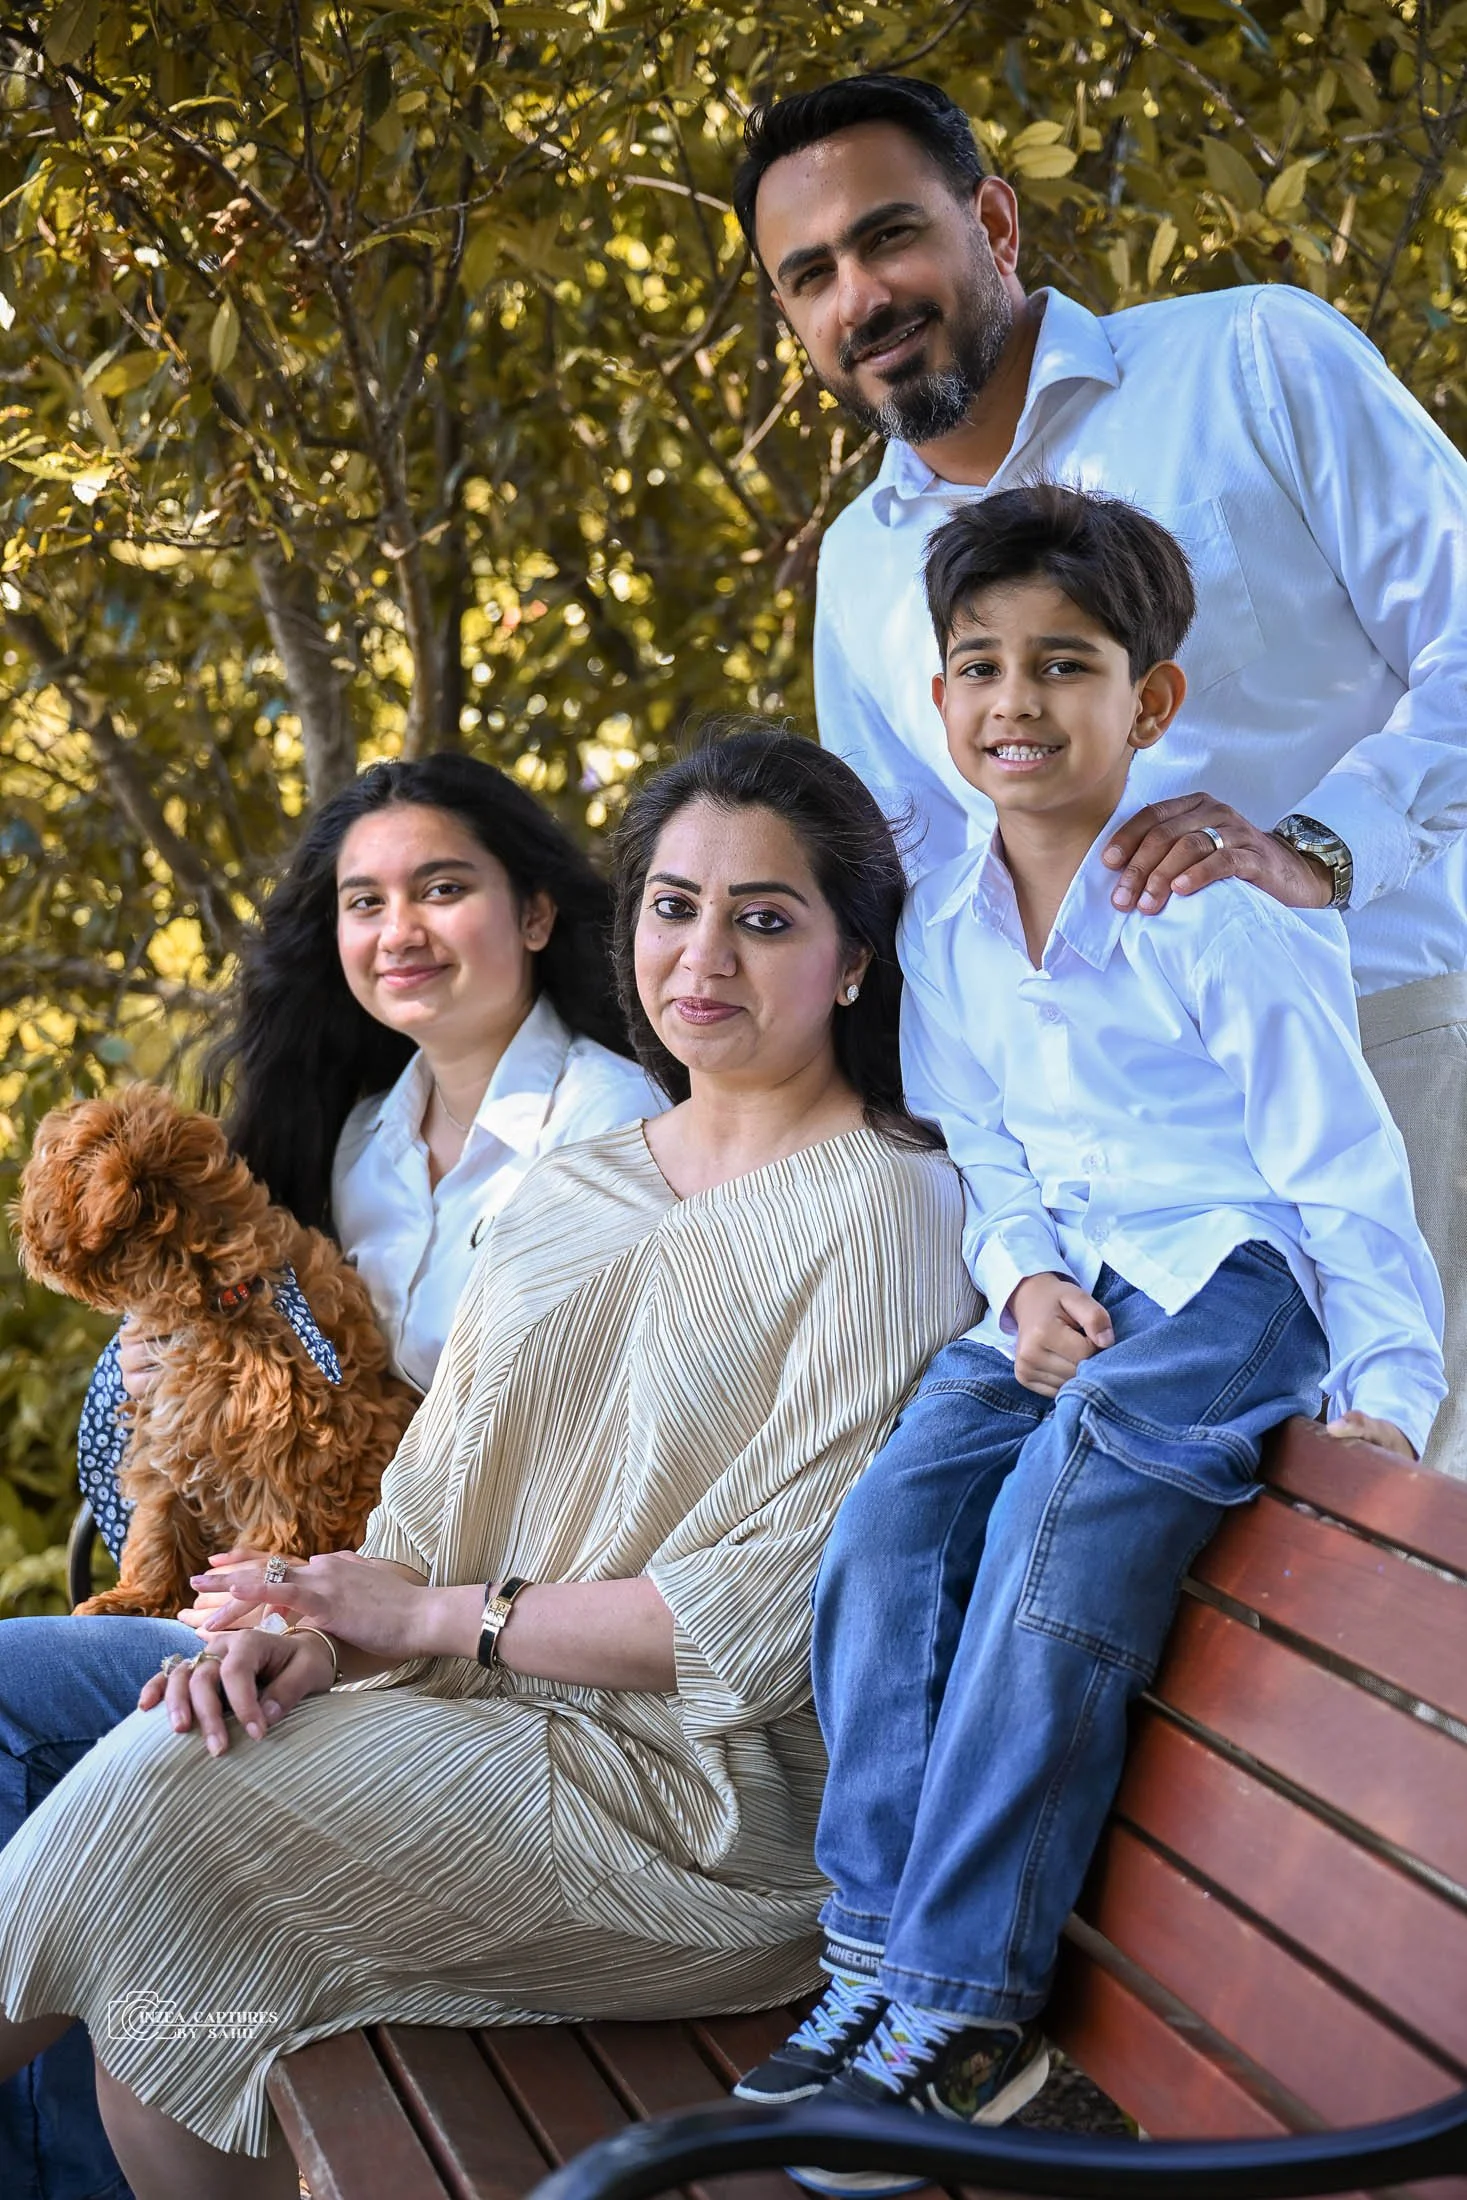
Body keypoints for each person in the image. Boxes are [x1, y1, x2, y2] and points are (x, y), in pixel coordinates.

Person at [0, 728, 978, 2199]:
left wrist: (430, 1623)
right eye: (671, 904)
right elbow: (422, 1512)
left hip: (693, 1812)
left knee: (161, 1803)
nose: (702, 953)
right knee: (177, 1880)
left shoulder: (893, 1209)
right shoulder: (580, 1186)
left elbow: (766, 1623)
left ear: (850, 962)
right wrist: (300, 1643)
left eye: (762, 918)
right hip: (469, 1715)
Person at [733, 489, 1445, 2188]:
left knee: (1075, 1487)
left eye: (1065, 665)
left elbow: (1340, 1165)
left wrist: (1392, 1394)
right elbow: (983, 1140)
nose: (1016, 702)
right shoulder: (946, 920)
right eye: (979, 665)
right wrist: (1019, 1275)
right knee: (894, 1519)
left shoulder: (1217, 907)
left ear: (1152, 702)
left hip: (1233, 1274)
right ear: (936, 697)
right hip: (1073, 1280)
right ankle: (875, 1954)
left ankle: (961, 2002)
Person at [731, 71, 1467, 1476]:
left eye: (888, 236)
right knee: (1173, 1608)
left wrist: (1314, 846)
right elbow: (906, 876)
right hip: (1105, 1182)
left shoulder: (1253, 359)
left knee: (1407, 1553)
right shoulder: (861, 567)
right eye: (808, 275)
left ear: (990, 222)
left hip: (1379, 1037)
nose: (858, 297)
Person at [3, 750, 661, 2200]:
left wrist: (325, 1600)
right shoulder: (362, 1136)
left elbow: (559, 1454)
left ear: (537, 912)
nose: (399, 930)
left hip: (460, 1642)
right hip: (304, 1597)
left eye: (443, 888)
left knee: (16, 1714)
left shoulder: (606, 1131)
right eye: (364, 901)